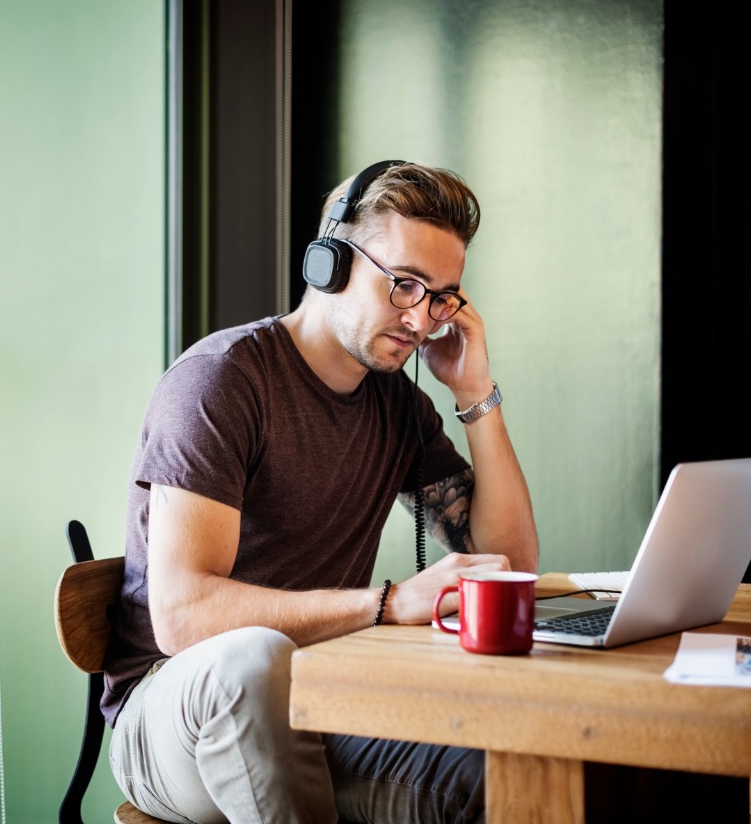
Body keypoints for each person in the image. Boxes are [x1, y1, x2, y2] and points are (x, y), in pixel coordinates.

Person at [102, 160, 539, 824]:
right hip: (172, 711)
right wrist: (388, 604)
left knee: (502, 782)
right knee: (251, 661)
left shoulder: (398, 407)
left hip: (318, 693)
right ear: (327, 261)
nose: (422, 321)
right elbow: (182, 616)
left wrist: (477, 397)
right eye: (403, 285)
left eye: (442, 296)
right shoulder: (221, 383)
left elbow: (508, 567)